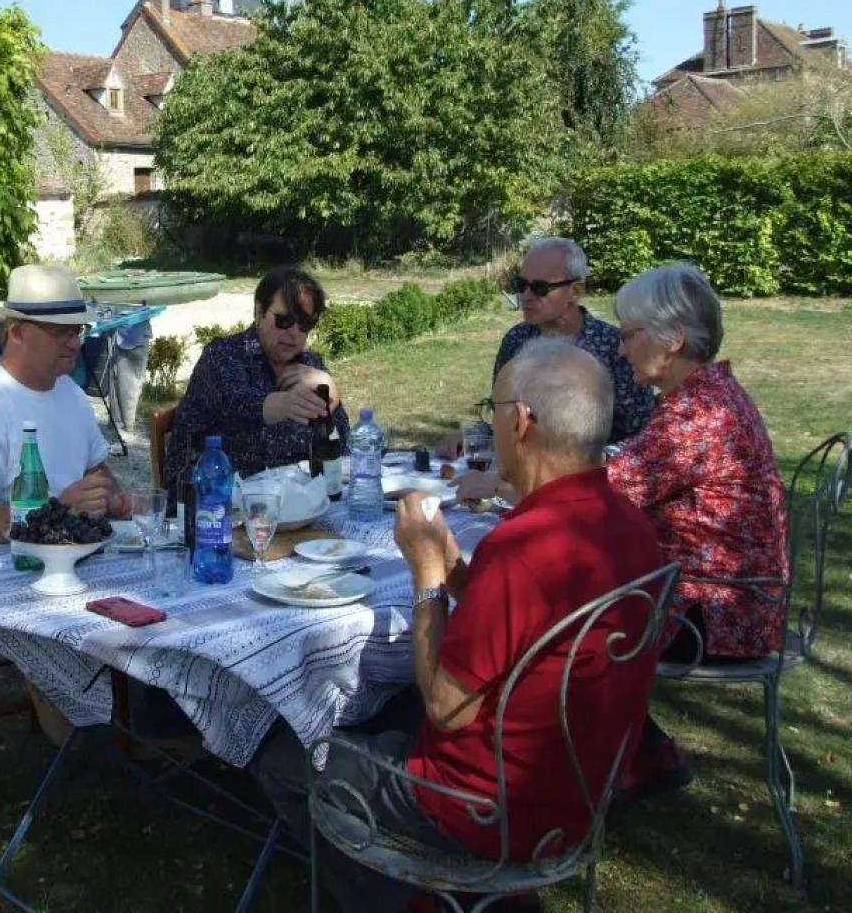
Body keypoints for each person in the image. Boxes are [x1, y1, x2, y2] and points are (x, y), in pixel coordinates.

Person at [250, 339, 664, 913]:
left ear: (520, 422)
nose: (489, 426)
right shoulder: (628, 527)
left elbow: (447, 707)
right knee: (386, 705)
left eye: (490, 412)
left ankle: (414, 903)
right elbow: (530, 625)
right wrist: (452, 561)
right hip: (575, 793)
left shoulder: (524, 549)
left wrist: (426, 575)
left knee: (282, 759)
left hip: (480, 810)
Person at [606, 262, 789, 795]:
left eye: (629, 335)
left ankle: (615, 758)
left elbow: (599, 495)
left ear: (673, 340)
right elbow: (639, 467)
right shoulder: (708, 396)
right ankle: (641, 748)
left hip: (716, 615)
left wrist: (513, 477)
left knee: (563, 613)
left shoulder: (696, 415)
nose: (621, 349)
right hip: (740, 597)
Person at [0, 264, 129, 556]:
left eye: (78, 331)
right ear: (17, 333)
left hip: (67, 557)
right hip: (1, 575)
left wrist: (112, 497)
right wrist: (60, 509)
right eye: (60, 332)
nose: (75, 344)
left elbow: (96, 471)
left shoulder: (70, 392)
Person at [449, 237, 654, 451]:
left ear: (575, 291)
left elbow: (643, 435)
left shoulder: (615, 346)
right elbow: (506, 416)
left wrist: (591, 463)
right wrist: (471, 437)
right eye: (521, 285)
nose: (525, 296)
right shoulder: (515, 340)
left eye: (539, 287)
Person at [161, 265, 350, 489]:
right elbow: (239, 403)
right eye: (285, 320)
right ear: (259, 312)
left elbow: (340, 442)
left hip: (292, 498)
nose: (294, 333)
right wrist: (287, 404)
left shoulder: (310, 366)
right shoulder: (222, 356)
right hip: (209, 500)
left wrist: (332, 395)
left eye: (305, 324)